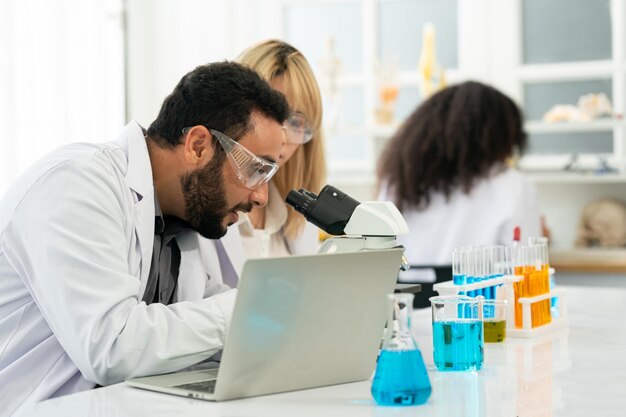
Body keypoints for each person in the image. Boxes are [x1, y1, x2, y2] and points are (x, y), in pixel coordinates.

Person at [0, 61, 290, 416]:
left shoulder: (183, 217)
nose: (261, 196)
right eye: (255, 169)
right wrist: (246, 308)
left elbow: (206, 321)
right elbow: (112, 347)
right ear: (198, 146)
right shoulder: (76, 184)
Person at [376, 81, 542, 266]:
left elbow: (381, 253)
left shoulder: (399, 180)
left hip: (403, 293)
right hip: (483, 293)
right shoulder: (513, 185)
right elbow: (527, 263)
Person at [218, 39, 326, 266]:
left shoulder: (294, 220)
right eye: (274, 115)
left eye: (297, 122)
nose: (283, 137)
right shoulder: (209, 208)